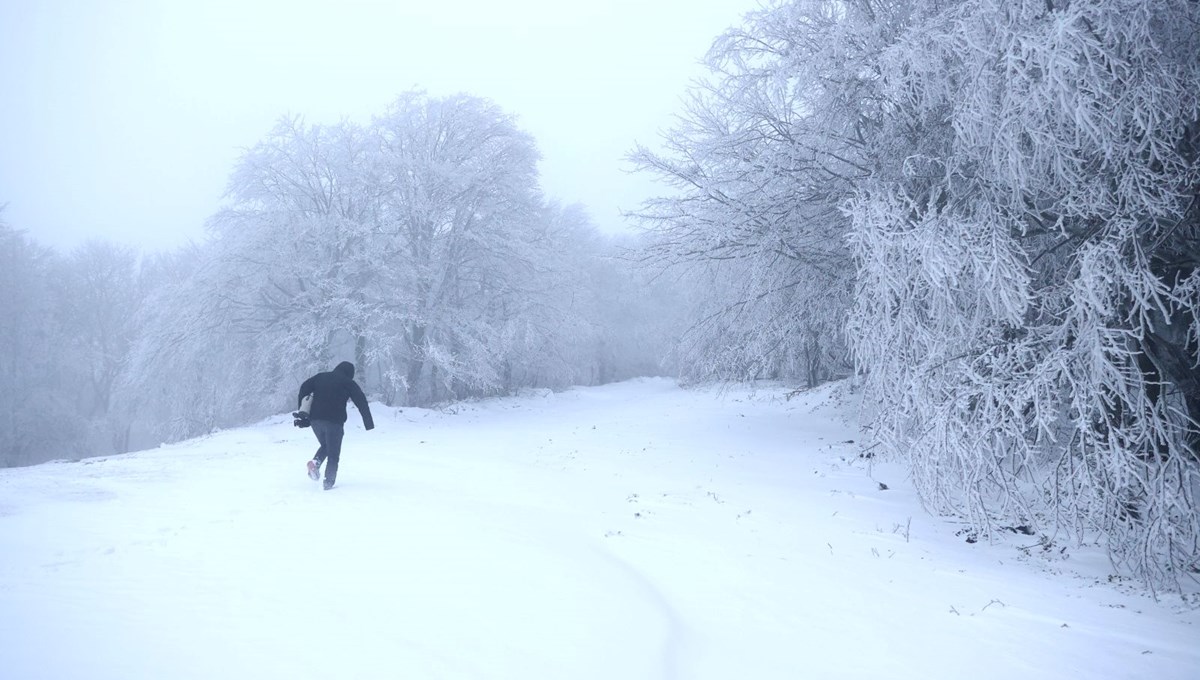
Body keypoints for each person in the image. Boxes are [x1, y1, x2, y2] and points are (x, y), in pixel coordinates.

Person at [297, 361, 374, 490]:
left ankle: (315, 463)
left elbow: (304, 387)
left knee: (327, 445)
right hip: (334, 422)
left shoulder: (320, 377)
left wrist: (302, 411)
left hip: (315, 420)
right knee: (333, 453)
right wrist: (368, 423)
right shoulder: (347, 382)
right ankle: (328, 482)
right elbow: (361, 401)